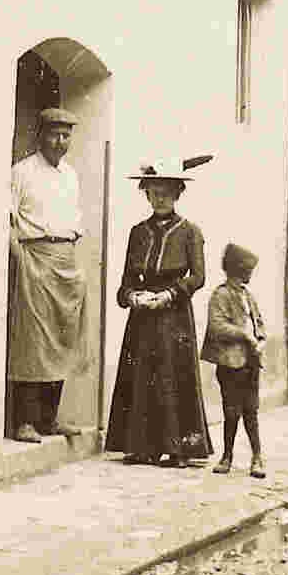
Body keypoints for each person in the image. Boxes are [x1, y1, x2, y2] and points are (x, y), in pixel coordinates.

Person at [106, 160, 213, 467]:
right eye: (154, 192)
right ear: (147, 194)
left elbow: (198, 277)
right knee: (141, 376)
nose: (160, 198)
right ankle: (141, 447)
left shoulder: (190, 232)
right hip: (142, 317)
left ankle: (178, 450)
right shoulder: (138, 232)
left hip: (174, 316)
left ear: (177, 193)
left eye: (166, 192)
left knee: (171, 375)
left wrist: (169, 295)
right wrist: (133, 296)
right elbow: (126, 281)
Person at [8, 105, 88, 442]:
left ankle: (49, 418)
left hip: (65, 260)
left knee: (63, 338)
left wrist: (73, 264)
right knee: (33, 341)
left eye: (66, 136)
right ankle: (24, 421)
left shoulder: (70, 175)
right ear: (40, 135)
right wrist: (23, 260)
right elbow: (7, 222)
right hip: (35, 258)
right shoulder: (22, 172)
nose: (60, 142)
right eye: (54, 135)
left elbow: (73, 222)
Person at [202, 242, 267, 477]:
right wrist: (245, 336)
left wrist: (261, 340)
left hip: (250, 363)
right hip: (230, 364)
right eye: (248, 270)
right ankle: (226, 457)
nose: (250, 274)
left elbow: (259, 324)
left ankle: (257, 458)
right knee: (231, 412)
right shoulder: (221, 295)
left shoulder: (247, 296)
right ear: (238, 269)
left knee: (251, 412)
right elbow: (217, 326)